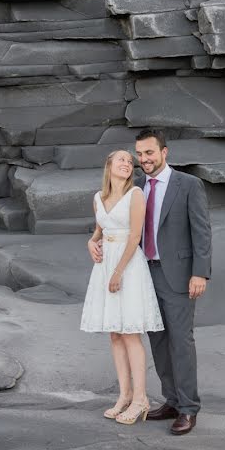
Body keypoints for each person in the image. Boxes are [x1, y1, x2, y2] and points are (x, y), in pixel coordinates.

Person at [90, 129, 212, 436]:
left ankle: (187, 408)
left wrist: (200, 272)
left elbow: (202, 231)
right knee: (157, 339)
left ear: (164, 152)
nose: (143, 159)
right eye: (139, 154)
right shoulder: (137, 186)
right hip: (142, 272)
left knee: (181, 341)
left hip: (179, 274)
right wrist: (92, 242)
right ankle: (171, 400)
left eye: (149, 153)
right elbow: (112, 221)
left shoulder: (188, 185)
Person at [81, 149, 164, 425]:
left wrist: (118, 272)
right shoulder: (98, 198)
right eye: (122, 160)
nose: (127, 164)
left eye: (131, 161)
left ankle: (141, 398)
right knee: (115, 334)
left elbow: (135, 236)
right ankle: (124, 395)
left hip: (127, 266)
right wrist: (91, 243)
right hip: (105, 266)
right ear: (109, 165)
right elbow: (99, 231)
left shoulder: (135, 195)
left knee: (130, 333)